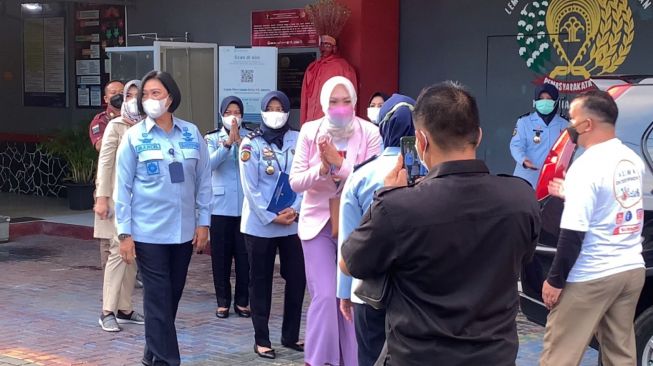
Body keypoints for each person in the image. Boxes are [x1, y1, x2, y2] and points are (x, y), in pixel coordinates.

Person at [340, 81, 541, 366]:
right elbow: (525, 255)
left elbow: (350, 263)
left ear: (421, 141)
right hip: (494, 356)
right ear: (479, 136)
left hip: (419, 357)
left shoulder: (398, 207)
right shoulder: (521, 198)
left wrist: (385, 196)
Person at [539, 90, 645, 366]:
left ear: (587, 124)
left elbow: (574, 232)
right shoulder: (631, 160)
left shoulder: (586, 166)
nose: (569, 126)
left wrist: (555, 280)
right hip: (630, 269)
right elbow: (612, 202)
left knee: (559, 355)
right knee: (620, 354)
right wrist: (572, 192)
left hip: (592, 274)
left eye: (572, 119)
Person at [114, 70, 211, 366]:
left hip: (182, 233)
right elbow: (123, 188)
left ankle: (150, 355)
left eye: (156, 93)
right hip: (147, 233)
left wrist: (203, 222)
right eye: (145, 94)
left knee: (170, 298)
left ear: (170, 97)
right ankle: (169, 360)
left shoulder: (191, 133)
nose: (149, 99)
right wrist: (124, 234)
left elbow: (204, 180)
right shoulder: (134, 137)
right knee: (157, 299)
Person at [290, 75, 382, 366]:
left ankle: (353, 360)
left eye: (346, 101)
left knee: (351, 297)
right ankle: (319, 360)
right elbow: (295, 182)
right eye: (333, 101)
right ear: (323, 103)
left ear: (355, 102)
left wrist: (340, 164)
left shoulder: (369, 132)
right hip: (317, 222)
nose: (340, 107)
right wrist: (322, 167)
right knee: (326, 296)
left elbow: (373, 178)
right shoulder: (309, 131)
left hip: (355, 225)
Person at [337, 93, 415, 366]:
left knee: (370, 357)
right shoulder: (430, 173)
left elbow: (348, 241)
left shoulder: (360, 175)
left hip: (367, 288)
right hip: (417, 291)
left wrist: (344, 291)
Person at [239, 91, 306, 359]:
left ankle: (290, 335)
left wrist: (296, 209)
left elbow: (304, 176)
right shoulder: (250, 143)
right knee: (260, 281)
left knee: (297, 279)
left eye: (280, 107)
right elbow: (249, 187)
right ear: (263, 111)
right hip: (260, 225)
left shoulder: (298, 139)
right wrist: (270, 215)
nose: (276, 112)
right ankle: (262, 339)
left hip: (291, 222)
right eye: (271, 108)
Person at [94, 80, 145, 332]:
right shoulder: (116, 126)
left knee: (131, 255)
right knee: (117, 251)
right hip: (116, 200)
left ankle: (124, 308)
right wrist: (101, 197)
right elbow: (105, 162)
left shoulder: (149, 126)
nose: (134, 99)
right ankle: (107, 311)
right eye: (130, 95)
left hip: (142, 201)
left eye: (139, 94)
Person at [205, 96, 251, 319]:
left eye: (237, 112)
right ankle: (223, 301)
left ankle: (243, 301)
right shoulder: (212, 138)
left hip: (244, 207)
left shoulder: (250, 138)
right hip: (220, 207)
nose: (234, 116)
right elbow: (208, 166)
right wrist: (227, 145)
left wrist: (241, 143)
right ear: (222, 114)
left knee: (245, 257)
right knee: (221, 258)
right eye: (229, 112)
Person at [509, 83, 568, 188]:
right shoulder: (524, 122)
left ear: (555, 101)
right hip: (527, 179)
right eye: (541, 98)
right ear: (536, 101)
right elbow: (516, 145)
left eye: (549, 98)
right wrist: (524, 160)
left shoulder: (565, 124)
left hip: (554, 181)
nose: (544, 101)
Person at [300, 35, 358, 125]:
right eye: (323, 45)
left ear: (334, 48)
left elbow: (350, 98)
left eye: (328, 45)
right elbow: (305, 100)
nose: (324, 48)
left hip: (333, 124)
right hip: (312, 124)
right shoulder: (313, 68)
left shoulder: (343, 67)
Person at [89, 80, 125, 153]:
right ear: (106, 99)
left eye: (122, 92)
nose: (118, 95)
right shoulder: (101, 120)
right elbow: (99, 146)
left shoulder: (135, 116)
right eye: (113, 93)